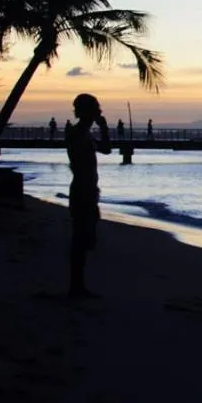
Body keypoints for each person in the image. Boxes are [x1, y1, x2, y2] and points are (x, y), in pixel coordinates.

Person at [66, 93, 111, 298]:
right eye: (96, 109)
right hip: (82, 190)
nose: (99, 112)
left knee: (85, 238)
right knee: (81, 238)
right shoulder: (76, 133)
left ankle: (78, 284)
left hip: (89, 190)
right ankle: (76, 285)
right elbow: (78, 162)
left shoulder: (85, 134)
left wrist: (103, 128)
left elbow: (107, 150)